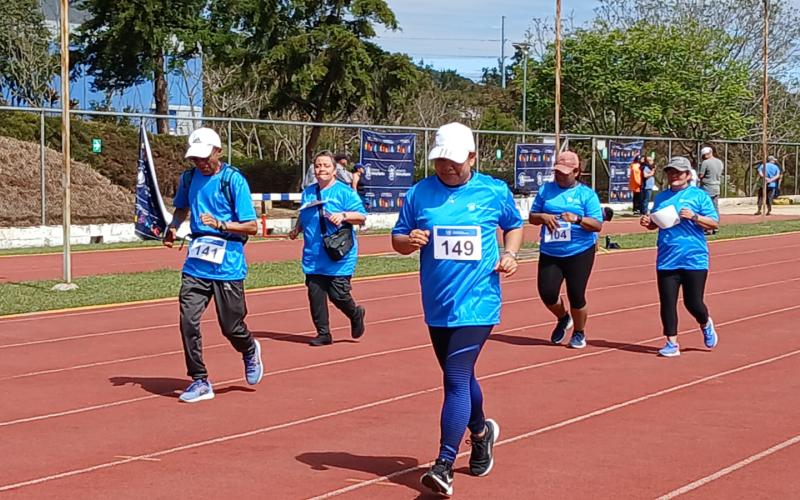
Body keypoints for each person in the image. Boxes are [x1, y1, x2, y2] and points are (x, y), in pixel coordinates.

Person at [391, 122, 523, 496]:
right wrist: (409, 240)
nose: (446, 167)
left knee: (454, 376)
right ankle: (481, 432)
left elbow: (514, 226)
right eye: (439, 161)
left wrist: (510, 254)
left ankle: (444, 464)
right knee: (462, 379)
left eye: (453, 161)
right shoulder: (419, 193)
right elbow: (398, 237)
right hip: (437, 302)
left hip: (479, 302)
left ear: (471, 157)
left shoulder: (492, 191)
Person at [163, 127, 263, 403]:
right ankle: (199, 380)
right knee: (188, 321)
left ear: (218, 151)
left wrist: (220, 224)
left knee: (231, 326)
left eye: (204, 157)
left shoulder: (233, 181)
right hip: (196, 262)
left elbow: (252, 226)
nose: (200, 163)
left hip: (228, 263)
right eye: (195, 159)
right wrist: (173, 227)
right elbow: (182, 207)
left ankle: (249, 349)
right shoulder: (188, 178)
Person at [639, 156, 719, 357]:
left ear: (688, 175)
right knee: (667, 302)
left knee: (693, 302)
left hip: (694, 257)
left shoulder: (699, 196)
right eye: (670, 172)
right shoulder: (661, 197)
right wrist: (649, 222)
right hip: (667, 257)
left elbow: (714, 223)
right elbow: (656, 223)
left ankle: (705, 321)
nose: (674, 176)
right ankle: (671, 342)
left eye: (678, 172)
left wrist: (694, 217)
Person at [289, 151, 367, 346]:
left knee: (338, 294)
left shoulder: (345, 192)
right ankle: (323, 333)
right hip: (313, 254)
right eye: (317, 166)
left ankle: (355, 313)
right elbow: (305, 213)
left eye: (325, 166)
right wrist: (297, 228)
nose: (321, 169)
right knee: (315, 294)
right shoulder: (308, 191)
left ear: (334, 170)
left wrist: (343, 216)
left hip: (338, 253)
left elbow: (362, 216)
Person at [529, 151, 603, 349]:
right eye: (557, 172)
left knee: (576, 294)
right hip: (550, 251)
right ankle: (563, 317)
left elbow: (597, 225)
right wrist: (543, 217)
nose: (559, 176)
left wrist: (577, 219)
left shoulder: (586, 195)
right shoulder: (546, 190)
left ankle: (579, 332)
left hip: (579, 250)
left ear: (576, 172)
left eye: (565, 173)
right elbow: (532, 217)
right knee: (547, 293)